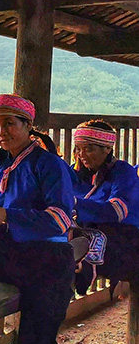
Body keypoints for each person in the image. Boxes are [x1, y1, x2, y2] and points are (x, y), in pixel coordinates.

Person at [0, 94, 75, 344]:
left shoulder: (50, 165)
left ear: (27, 125)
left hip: (46, 261)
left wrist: (8, 215)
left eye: (9, 123)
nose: (0, 132)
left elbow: (61, 218)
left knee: (36, 342)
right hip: (5, 256)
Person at [71, 120, 139, 294]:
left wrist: (75, 204)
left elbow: (116, 211)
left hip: (125, 238)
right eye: (78, 148)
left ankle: (84, 263)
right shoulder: (76, 173)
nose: (81, 154)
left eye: (89, 149)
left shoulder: (123, 172)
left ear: (107, 148)